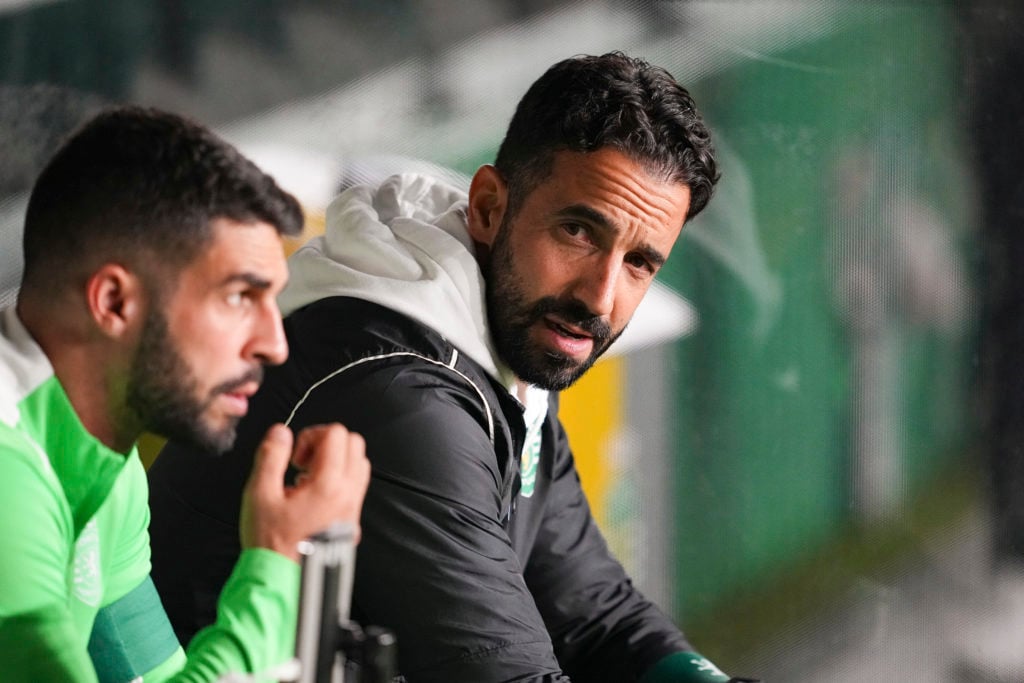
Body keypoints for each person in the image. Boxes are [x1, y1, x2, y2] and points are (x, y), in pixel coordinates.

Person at [148, 53, 753, 682]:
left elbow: (595, 616)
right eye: (578, 232)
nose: (599, 298)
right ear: (489, 206)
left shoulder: (509, 337)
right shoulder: (403, 395)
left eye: (639, 264)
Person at [0, 106, 371, 681]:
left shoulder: (107, 463)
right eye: (237, 298)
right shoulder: (7, 469)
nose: (274, 344)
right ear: (114, 303)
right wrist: (276, 564)